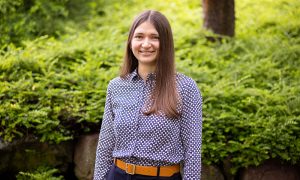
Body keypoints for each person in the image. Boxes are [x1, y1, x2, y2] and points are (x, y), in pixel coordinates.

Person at [93, 10, 202, 180]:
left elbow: (193, 154)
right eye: (139, 37)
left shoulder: (186, 88)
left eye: (154, 37)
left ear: (165, 42)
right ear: (130, 42)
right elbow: (105, 147)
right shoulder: (116, 86)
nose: (145, 44)